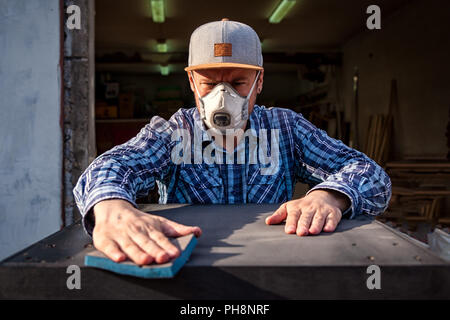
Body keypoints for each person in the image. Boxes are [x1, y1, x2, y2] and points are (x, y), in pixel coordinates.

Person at [74, 19, 392, 266]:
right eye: (209, 83)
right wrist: (112, 207)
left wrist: (329, 197)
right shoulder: (173, 132)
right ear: (191, 82)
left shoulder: (287, 129)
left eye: (238, 83)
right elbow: (113, 165)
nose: (221, 98)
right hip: (186, 272)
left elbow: (370, 173)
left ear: (259, 82)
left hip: (274, 269)